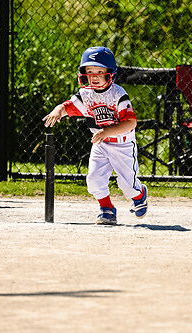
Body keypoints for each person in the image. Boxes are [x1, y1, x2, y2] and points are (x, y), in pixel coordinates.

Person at [43, 46, 148, 225]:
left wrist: (107, 131)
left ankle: (140, 194)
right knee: (93, 180)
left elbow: (131, 123)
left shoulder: (118, 94)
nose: (95, 76)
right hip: (101, 144)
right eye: (90, 71)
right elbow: (68, 106)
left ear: (111, 73)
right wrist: (58, 110)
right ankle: (107, 209)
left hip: (122, 144)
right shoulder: (86, 94)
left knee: (127, 187)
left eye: (100, 71)